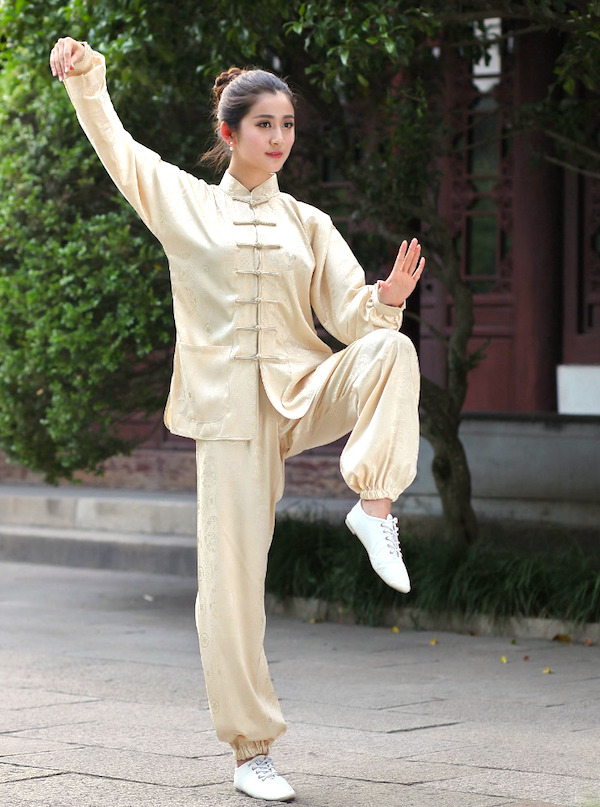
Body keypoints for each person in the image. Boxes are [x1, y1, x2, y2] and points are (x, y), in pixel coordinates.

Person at [49, 36, 425, 802]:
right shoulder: (185, 205)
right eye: (265, 125)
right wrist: (89, 78)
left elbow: (357, 323)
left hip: (300, 391)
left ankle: (374, 505)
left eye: (288, 124)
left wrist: (384, 300)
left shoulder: (309, 225)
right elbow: (119, 150)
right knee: (230, 585)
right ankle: (252, 749)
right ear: (230, 134)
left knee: (396, 355)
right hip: (229, 418)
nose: (280, 138)